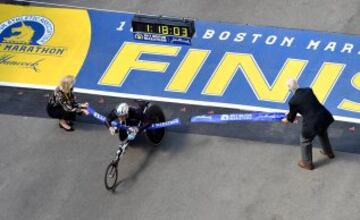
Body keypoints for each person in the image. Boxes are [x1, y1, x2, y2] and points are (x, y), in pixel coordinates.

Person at [282, 78, 335, 170]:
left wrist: (286, 119)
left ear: (289, 88)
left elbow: (291, 117)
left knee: (304, 140)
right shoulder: (308, 91)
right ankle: (328, 152)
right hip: (324, 117)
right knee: (322, 132)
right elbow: (307, 104)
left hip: (313, 123)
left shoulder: (293, 101)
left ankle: (307, 163)